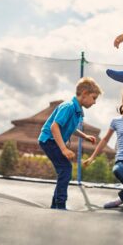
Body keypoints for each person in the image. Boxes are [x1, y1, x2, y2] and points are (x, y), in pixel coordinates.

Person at [38, 77, 102, 210]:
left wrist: (84, 136)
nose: (95, 102)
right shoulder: (68, 107)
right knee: (66, 169)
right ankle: (60, 205)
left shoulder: (77, 111)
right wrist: (64, 149)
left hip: (52, 141)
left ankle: (55, 204)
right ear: (84, 94)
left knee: (64, 170)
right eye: (94, 98)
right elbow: (54, 127)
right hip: (49, 140)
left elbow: (71, 127)